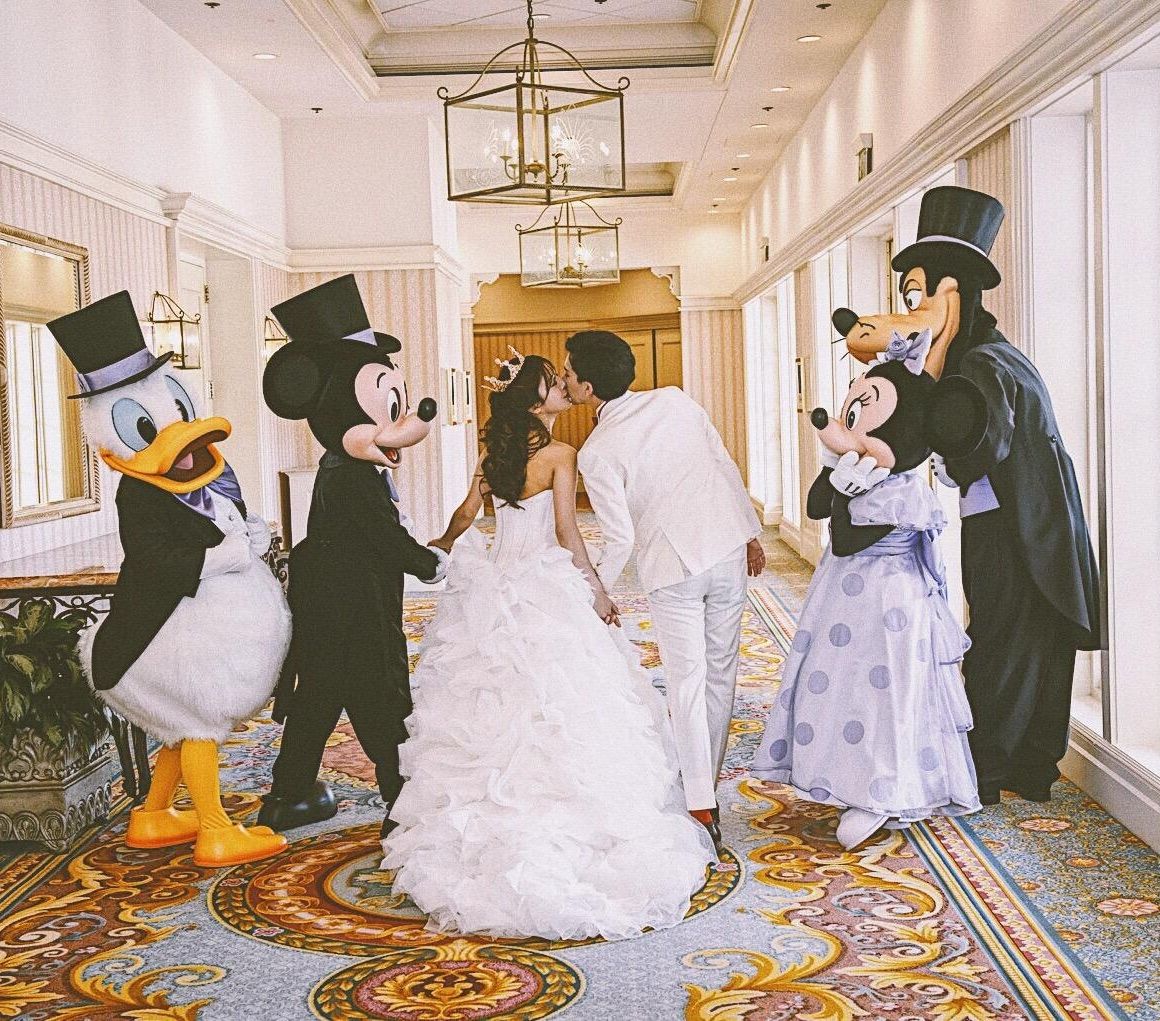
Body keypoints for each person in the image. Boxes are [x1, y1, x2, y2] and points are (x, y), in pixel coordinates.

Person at [381, 351, 715, 942]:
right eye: (553, 384)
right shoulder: (562, 454)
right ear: (536, 401)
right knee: (567, 702)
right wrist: (598, 592)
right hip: (543, 585)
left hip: (496, 587)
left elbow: (467, 512)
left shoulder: (495, 453)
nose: (564, 387)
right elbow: (566, 533)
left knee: (494, 704)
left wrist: (441, 544)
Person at [831, 186, 1102, 804]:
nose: (911, 310)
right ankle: (1028, 763)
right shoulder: (993, 356)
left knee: (1004, 640)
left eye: (918, 294)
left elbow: (980, 444)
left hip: (1017, 526)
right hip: (1029, 522)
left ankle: (988, 766)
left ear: (952, 292)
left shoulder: (981, 363)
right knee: (1028, 640)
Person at [752, 332, 982, 850]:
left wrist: (844, 485)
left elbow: (849, 537)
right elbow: (816, 507)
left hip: (891, 602)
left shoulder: (905, 492)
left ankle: (884, 790)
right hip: (844, 595)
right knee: (841, 685)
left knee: (888, 692)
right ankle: (845, 775)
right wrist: (834, 473)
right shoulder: (856, 472)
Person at [562, 331, 766, 845]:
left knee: (687, 683)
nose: (564, 379)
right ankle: (706, 787)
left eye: (568, 372)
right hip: (726, 548)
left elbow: (620, 538)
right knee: (720, 676)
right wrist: (751, 533)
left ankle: (700, 804)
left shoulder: (596, 451)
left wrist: (596, 590)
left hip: (672, 568)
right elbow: (723, 463)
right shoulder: (675, 400)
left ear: (587, 388)